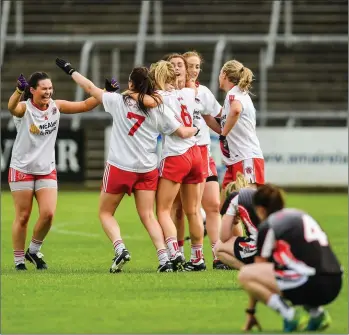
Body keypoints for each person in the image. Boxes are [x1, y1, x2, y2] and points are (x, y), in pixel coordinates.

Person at [56, 58, 199, 273]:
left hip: (120, 167)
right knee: (148, 216)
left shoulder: (118, 101)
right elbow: (178, 130)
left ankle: (120, 248)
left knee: (105, 213)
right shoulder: (158, 106)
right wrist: (195, 130)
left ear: (131, 84)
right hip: (147, 168)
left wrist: (70, 70)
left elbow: (89, 87)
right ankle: (164, 259)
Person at [8, 71, 107, 270]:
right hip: (22, 168)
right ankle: (19, 261)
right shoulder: (25, 109)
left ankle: (33, 251)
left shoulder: (56, 106)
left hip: (46, 169)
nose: (48, 92)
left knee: (48, 214)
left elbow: (86, 105)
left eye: (50, 88)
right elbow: (12, 107)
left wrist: (106, 92)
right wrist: (18, 91)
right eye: (44, 88)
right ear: (33, 90)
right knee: (23, 216)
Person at [238, 184, 343, 332]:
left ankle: (290, 315)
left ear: (261, 209)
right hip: (335, 282)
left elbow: (257, 270)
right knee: (295, 269)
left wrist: (251, 311)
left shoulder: (268, 225)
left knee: (245, 274)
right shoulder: (300, 214)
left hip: (311, 283)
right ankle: (317, 314)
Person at [149, 60, 206, 272]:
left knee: (163, 210)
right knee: (193, 211)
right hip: (195, 154)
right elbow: (191, 85)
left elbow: (180, 131)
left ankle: (174, 254)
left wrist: (191, 129)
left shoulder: (159, 99)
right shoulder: (189, 94)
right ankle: (198, 259)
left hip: (176, 155)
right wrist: (196, 130)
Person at [182, 50, 227, 270]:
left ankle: (217, 255)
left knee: (213, 205)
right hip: (182, 154)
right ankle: (181, 254)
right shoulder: (174, 93)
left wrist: (225, 132)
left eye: (197, 66)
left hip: (203, 153)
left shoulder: (204, 92)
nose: (194, 70)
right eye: (190, 65)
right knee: (182, 209)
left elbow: (212, 116)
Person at [218, 60, 264, 206]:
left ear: (224, 75)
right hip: (236, 160)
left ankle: (259, 229)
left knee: (247, 206)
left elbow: (236, 110)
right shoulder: (239, 94)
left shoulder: (234, 93)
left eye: (220, 73)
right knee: (225, 207)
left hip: (245, 157)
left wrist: (223, 134)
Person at [214, 172, 259, 269]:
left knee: (218, 248)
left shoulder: (235, 197)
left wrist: (232, 219)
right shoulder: (259, 193)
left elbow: (223, 237)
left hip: (260, 246)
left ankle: (248, 270)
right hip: (277, 245)